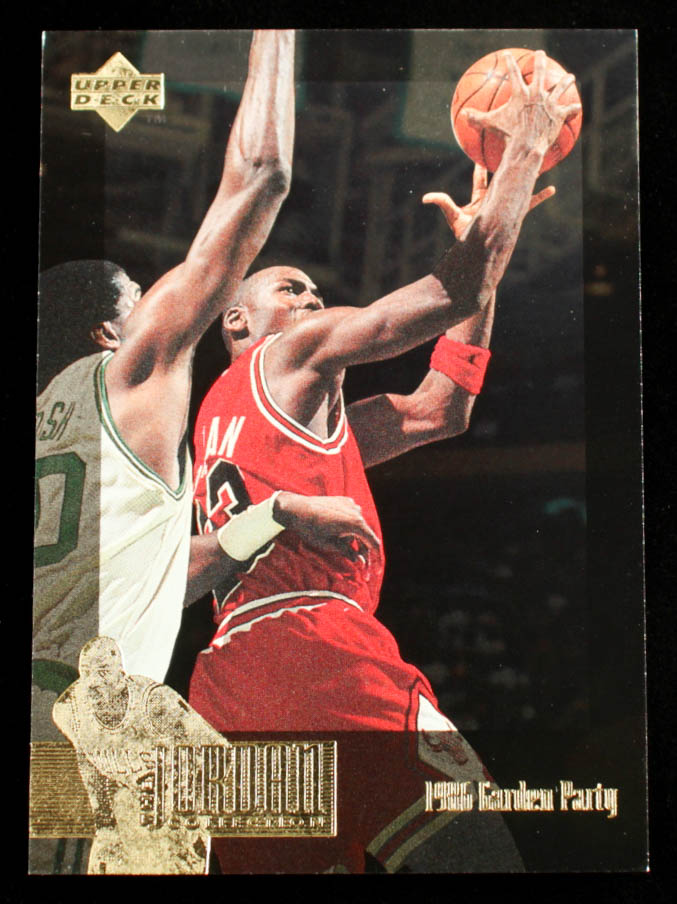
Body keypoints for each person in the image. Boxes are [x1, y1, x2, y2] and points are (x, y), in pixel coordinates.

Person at [188, 51, 580, 872]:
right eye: (289, 290)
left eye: (312, 293)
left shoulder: (241, 424)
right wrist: (521, 153)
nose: (311, 302)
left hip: (229, 685)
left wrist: (484, 261)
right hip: (317, 647)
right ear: (236, 320)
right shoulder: (287, 355)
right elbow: (450, 292)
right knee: (477, 856)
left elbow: (441, 409)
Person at [32, 30, 378, 874]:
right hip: (87, 726)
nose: (164, 311)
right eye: (141, 302)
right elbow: (261, 176)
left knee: (294, 807)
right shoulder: (131, 375)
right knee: (322, 811)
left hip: (55, 717)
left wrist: (277, 511)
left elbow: (158, 575)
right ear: (109, 331)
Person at [52, 637, 229, 875]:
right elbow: (88, 763)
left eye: (104, 673)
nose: (97, 684)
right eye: (91, 676)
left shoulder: (155, 703)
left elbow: (217, 751)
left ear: (121, 677)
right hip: (126, 814)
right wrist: (105, 822)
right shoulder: (69, 712)